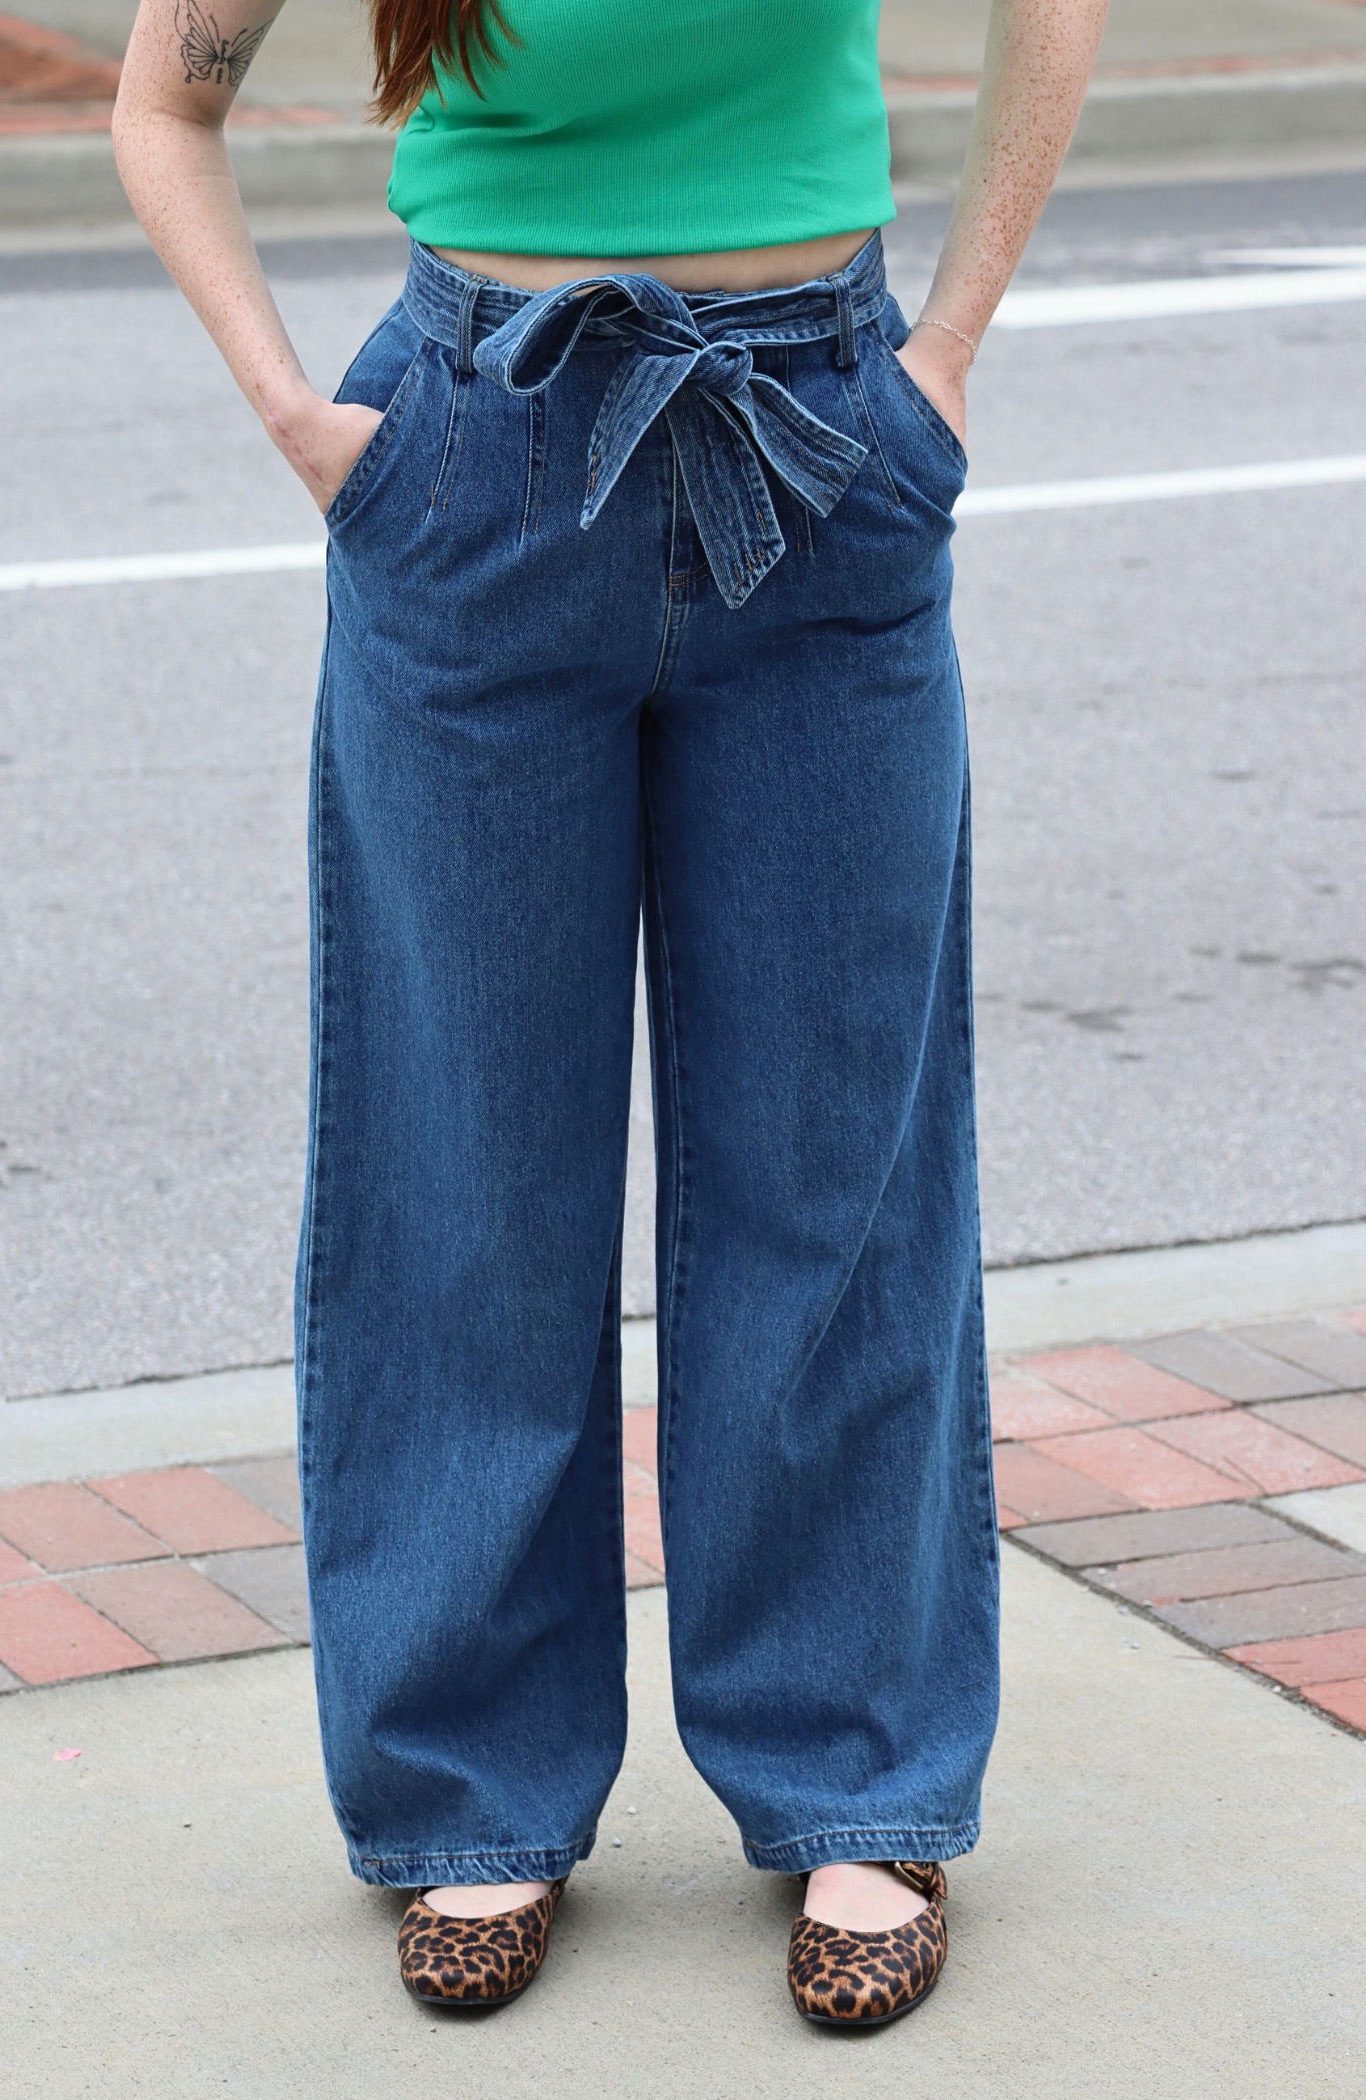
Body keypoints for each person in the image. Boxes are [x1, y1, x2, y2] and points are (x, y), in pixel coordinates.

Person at [115, 0, 1105, 2027]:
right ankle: (472, 1794)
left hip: (822, 448)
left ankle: (856, 1776)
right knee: (466, 1172)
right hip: (475, 482)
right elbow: (164, 104)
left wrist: (946, 363)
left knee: (833, 1168)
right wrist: (315, 431)